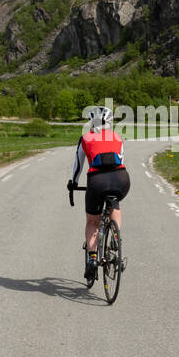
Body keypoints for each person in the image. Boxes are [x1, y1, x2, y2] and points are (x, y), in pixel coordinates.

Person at [67, 105, 130, 281]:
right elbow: (122, 160)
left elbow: (78, 165)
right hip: (121, 178)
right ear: (110, 122)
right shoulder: (118, 137)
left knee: (93, 222)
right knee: (115, 204)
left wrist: (73, 183)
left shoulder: (86, 137)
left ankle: (93, 259)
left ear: (91, 122)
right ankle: (116, 238)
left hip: (97, 180)